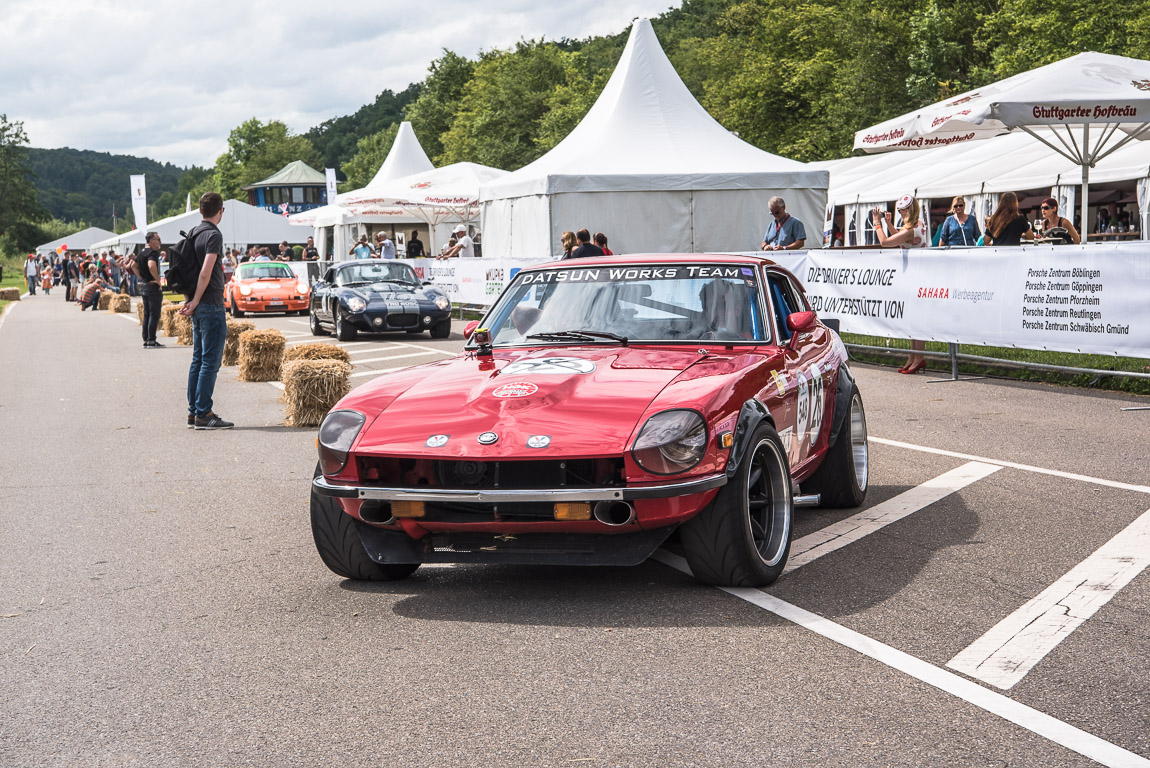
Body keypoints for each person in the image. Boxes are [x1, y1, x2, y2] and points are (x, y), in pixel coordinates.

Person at [178, 192, 233, 430]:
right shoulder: (213, 235)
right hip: (210, 302)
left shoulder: (193, 232)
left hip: (197, 302)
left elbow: (184, 270)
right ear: (221, 211)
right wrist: (198, 300)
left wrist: (189, 300)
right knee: (210, 362)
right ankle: (204, 413)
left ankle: (194, 411)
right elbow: (205, 271)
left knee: (198, 360)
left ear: (200, 211)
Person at [871, 194, 929, 374]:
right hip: (914, 275)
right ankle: (913, 356)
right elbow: (903, 239)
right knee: (912, 318)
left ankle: (918, 357)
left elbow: (885, 242)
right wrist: (889, 224)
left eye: (902, 210)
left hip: (917, 276)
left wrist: (877, 223)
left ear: (909, 210)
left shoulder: (913, 228)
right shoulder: (917, 224)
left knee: (917, 319)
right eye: (899, 210)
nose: (900, 213)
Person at [137, 231, 166, 348]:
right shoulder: (152, 252)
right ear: (151, 241)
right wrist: (157, 279)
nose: (159, 242)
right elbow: (151, 265)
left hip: (144, 284)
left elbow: (132, 266)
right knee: (154, 314)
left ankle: (147, 339)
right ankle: (151, 340)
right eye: (158, 240)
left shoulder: (141, 252)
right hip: (152, 286)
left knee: (147, 314)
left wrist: (141, 277)